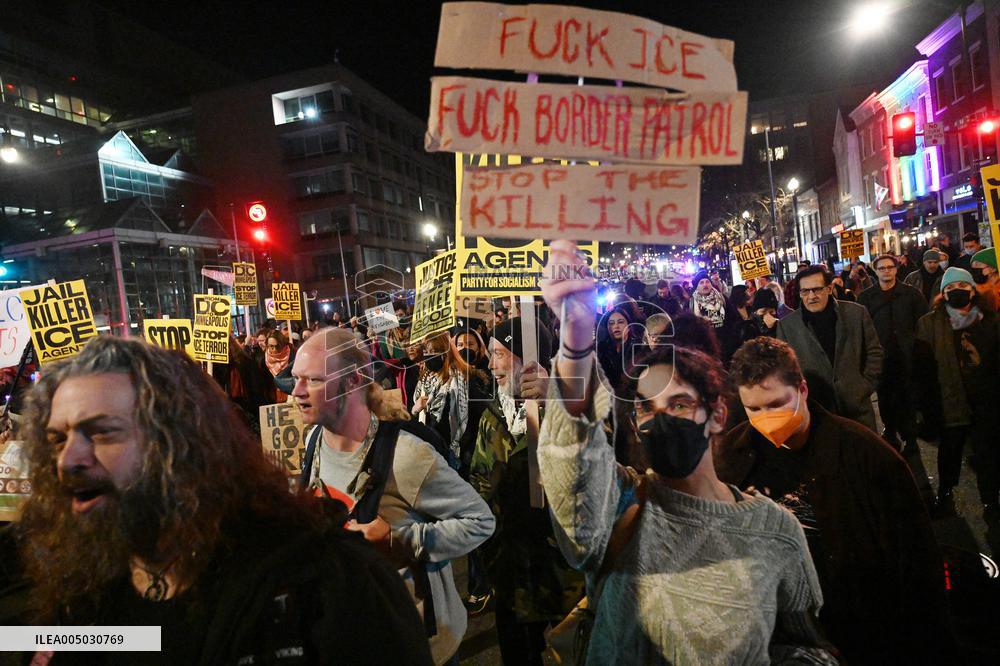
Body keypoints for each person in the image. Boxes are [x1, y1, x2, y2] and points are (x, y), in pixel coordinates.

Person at [5, 336, 433, 664]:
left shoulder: (324, 584)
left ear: (182, 441)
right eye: (56, 440)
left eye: (102, 432)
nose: (68, 461)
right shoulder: (79, 593)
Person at [535, 240, 832, 665]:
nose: (660, 419)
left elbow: (804, 643)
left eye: (678, 404)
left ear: (717, 414)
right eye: (645, 407)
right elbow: (573, 468)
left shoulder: (775, 529)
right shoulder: (621, 510)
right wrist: (575, 344)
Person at [719, 337, 952, 664]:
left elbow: (917, 563)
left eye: (776, 404)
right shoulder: (732, 457)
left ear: (802, 390)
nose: (765, 418)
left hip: (859, 633)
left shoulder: (866, 455)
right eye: (753, 409)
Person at [291, 328, 495, 664]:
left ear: (352, 381)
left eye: (312, 380)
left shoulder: (407, 455)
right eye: (296, 378)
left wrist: (400, 541)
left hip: (416, 644)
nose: (296, 391)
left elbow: (481, 521)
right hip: (355, 637)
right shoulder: (314, 440)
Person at [469, 316, 581, 666]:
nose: (491, 365)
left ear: (527, 359)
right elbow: (479, 483)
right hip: (511, 573)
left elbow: (599, 466)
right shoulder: (492, 415)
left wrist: (555, 405)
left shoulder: (573, 405)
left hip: (562, 573)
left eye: (499, 354)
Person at [915, 267, 1000, 520]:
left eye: (962, 286)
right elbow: (922, 370)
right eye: (950, 288)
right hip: (950, 400)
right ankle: (946, 493)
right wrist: (925, 408)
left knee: (988, 454)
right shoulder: (929, 324)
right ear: (943, 294)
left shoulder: (990, 320)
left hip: (986, 401)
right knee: (950, 452)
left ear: (973, 290)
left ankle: (990, 502)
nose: (957, 291)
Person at [776, 265, 883, 432]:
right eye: (805, 291)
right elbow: (784, 369)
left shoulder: (856, 313)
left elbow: (874, 352)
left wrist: (865, 385)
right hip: (816, 413)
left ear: (829, 288)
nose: (812, 296)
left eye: (817, 289)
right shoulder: (787, 326)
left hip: (857, 408)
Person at [857, 254, 927, 453]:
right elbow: (861, 327)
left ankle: (910, 435)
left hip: (907, 354)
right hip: (881, 356)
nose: (886, 271)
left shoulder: (911, 294)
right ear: (875, 271)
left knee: (907, 395)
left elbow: (922, 321)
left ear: (896, 269)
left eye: (890, 267)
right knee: (885, 395)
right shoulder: (866, 297)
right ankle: (890, 430)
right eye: (882, 268)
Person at [412, 332, 491, 472]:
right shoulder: (424, 382)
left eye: (435, 351)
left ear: (446, 353)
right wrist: (414, 410)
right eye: (427, 352)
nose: (430, 355)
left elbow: (480, 418)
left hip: (461, 457)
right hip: (434, 455)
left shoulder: (465, 379)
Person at [690, 270, 742, 362]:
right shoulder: (691, 304)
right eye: (701, 283)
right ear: (697, 286)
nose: (705, 285)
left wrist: (732, 338)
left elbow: (734, 318)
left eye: (707, 282)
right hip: (705, 347)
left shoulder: (722, 299)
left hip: (726, 345)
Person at [596, 305, 642, 391]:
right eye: (611, 323)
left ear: (629, 325)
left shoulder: (639, 347)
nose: (616, 326)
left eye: (620, 322)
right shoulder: (601, 349)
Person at [971, 247, 1000, 313]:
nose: (974, 269)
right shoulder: (976, 287)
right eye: (972, 266)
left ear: (993, 268)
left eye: (977, 264)